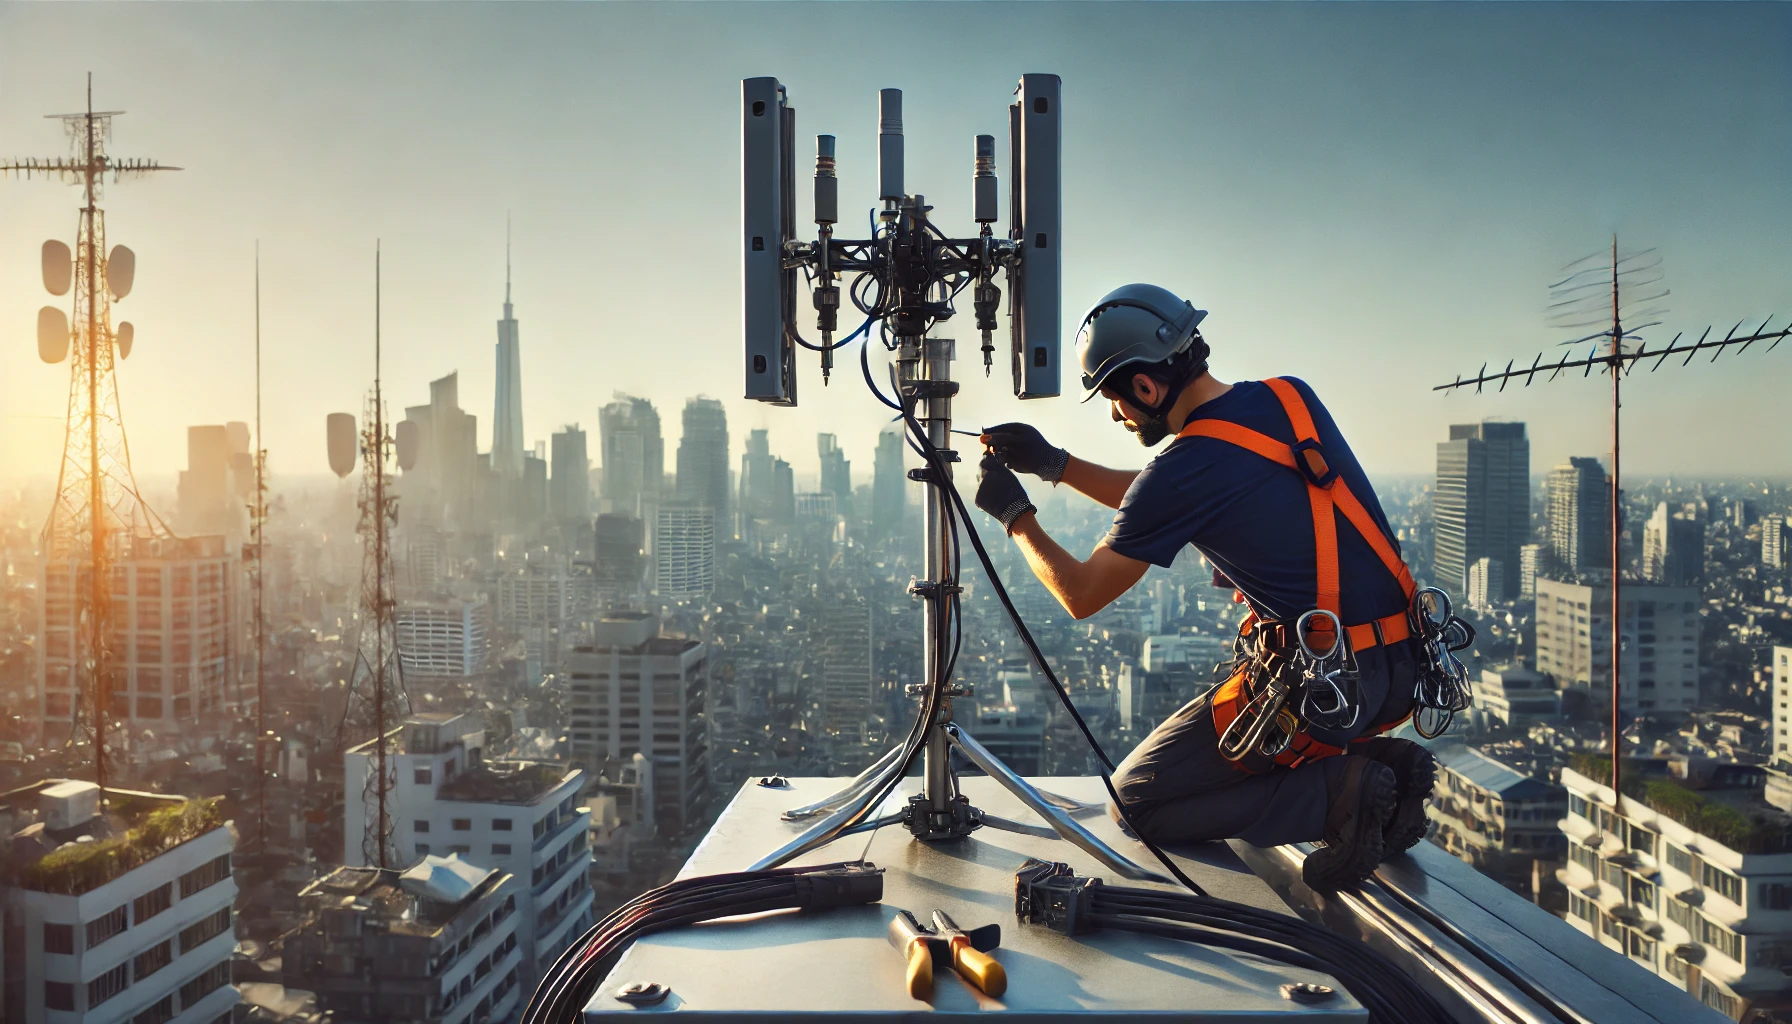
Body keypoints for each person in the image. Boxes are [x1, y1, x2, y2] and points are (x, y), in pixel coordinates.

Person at [974, 282, 1438, 892]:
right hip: (1401, 666)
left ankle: (1337, 797)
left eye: (1115, 399)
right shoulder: (1290, 399)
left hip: (1331, 688)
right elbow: (1168, 497)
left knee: (1136, 800)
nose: (1116, 415)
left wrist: (1015, 516)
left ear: (1145, 387)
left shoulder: (1183, 470)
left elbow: (1081, 593)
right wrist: (1055, 463)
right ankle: (1389, 773)